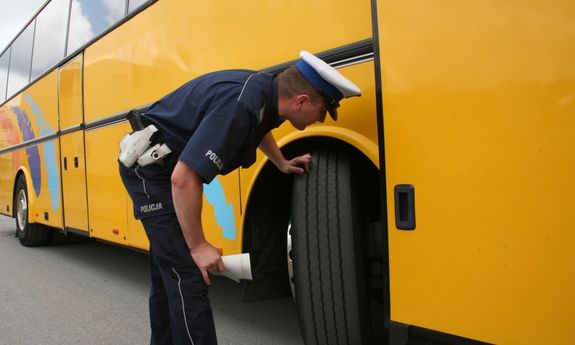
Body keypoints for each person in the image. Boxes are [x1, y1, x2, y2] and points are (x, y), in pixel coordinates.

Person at [118, 51, 361, 345]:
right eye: (323, 110)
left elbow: (259, 129)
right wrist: (198, 246)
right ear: (301, 101)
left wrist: (281, 162)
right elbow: (182, 179)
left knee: (168, 270)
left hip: (163, 168)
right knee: (189, 273)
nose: (321, 119)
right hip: (150, 171)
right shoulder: (241, 105)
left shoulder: (264, 93)